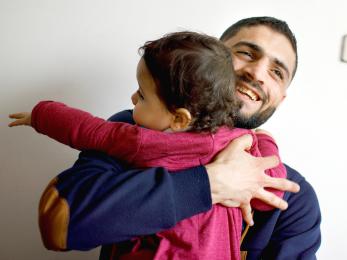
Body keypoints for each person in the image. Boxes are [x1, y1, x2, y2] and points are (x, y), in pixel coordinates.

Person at [21, 17, 321, 259]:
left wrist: (264, 144)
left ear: (280, 98)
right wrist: (210, 183)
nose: (257, 72)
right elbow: (61, 224)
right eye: (246, 53)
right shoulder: (135, 129)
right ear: (213, 57)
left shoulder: (296, 196)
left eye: (276, 72)